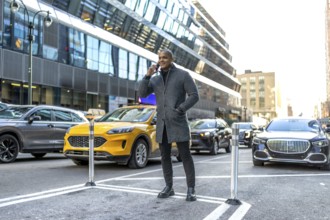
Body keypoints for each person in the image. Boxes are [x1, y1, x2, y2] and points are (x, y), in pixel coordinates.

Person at [138, 49, 199, 201]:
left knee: (185, 155)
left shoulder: (183, 75)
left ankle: (191, 189)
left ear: (171, 58)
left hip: (178, 121)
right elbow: (142, 93)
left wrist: (180, 109)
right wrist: (148, 75)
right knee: (165, 156)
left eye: (164, 57)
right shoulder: (155, 79)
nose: (161, 60)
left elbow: (194, 95)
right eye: (159, 58)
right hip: (162, 123)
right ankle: (168, 187)